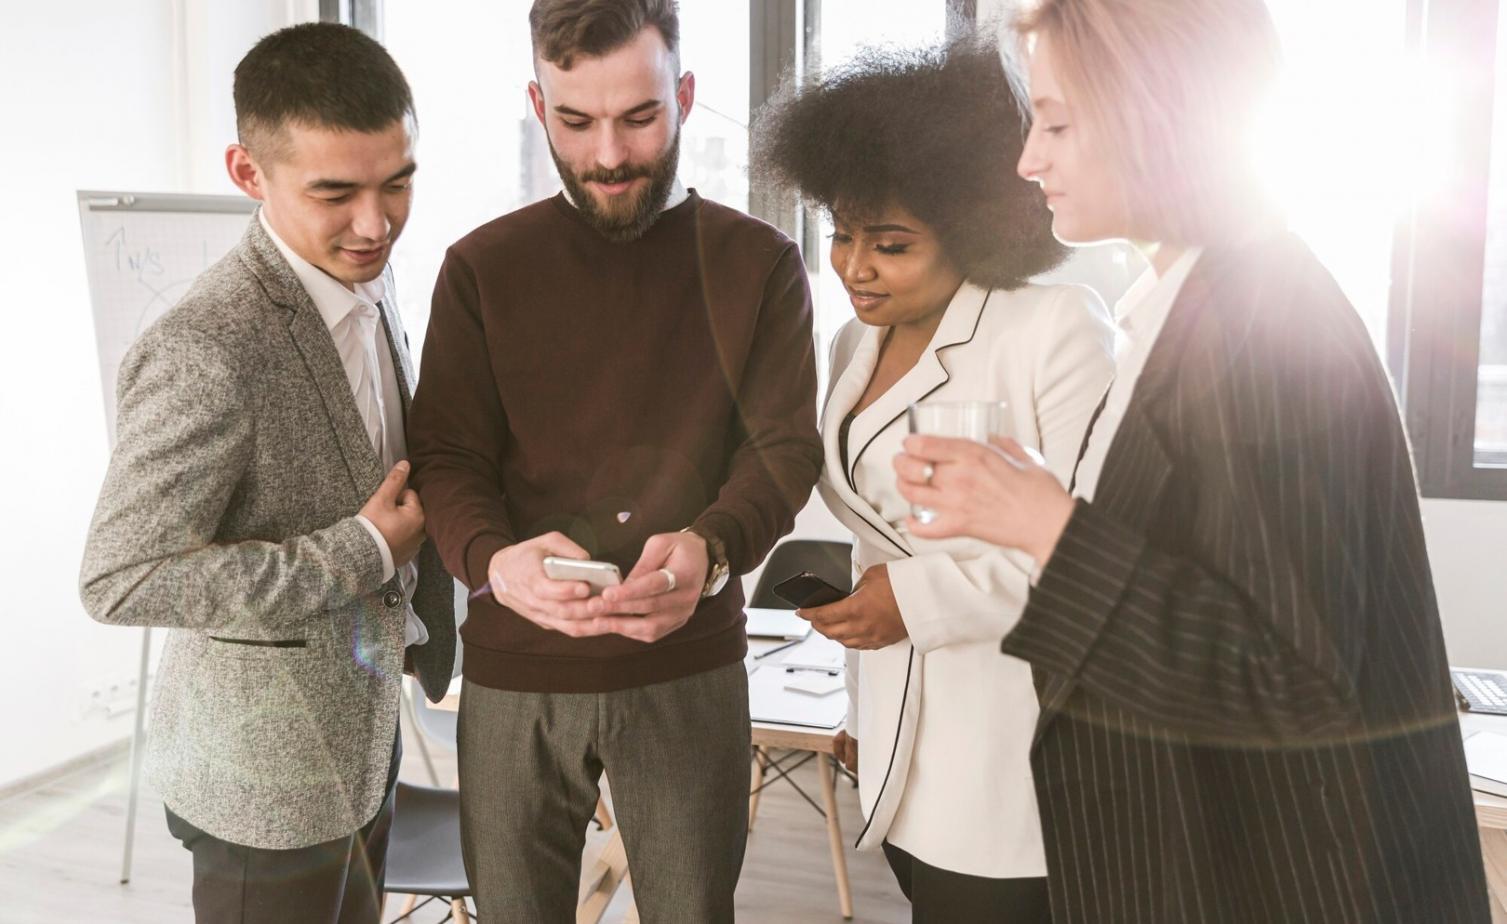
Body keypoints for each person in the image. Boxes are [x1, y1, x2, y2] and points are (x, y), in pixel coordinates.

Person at [893, 1, 1491, 920]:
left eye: (1055, 122)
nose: (1028, 159)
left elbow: (1287, 681)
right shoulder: (1190, 301)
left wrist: (1043, 525)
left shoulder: (1259, 323)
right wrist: (1039, 505)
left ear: (1155, 108)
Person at [405, 1, 822, 919]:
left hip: (688, 666)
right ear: (535, 101)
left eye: (638, 118)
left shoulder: (761, 265)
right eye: (574, 121)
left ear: (683, 94)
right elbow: (446, 456)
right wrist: (492, 561)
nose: (607, 156)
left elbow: (781, 450)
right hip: (515, 672)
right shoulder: (480, 269)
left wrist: (712, 547)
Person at [78, 22, 456, 923]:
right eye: (335, 193)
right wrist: (361, 549)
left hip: (363, 742)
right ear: (249, 175)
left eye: (396, 182)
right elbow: (119, 579)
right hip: (260, 781)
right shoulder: (206, 347)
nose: (376, 223)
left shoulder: (372, 276)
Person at [752, 36, 1113, 923]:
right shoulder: (851, 344)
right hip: (896, 740)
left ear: (977, 228)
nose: (853, 267)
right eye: (840, 234)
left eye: (892, 244)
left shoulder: (1053, 332)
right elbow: (882, 534)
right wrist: (866, 709)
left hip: (1012, 754)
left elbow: (1093, 560)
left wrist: (908, 604)